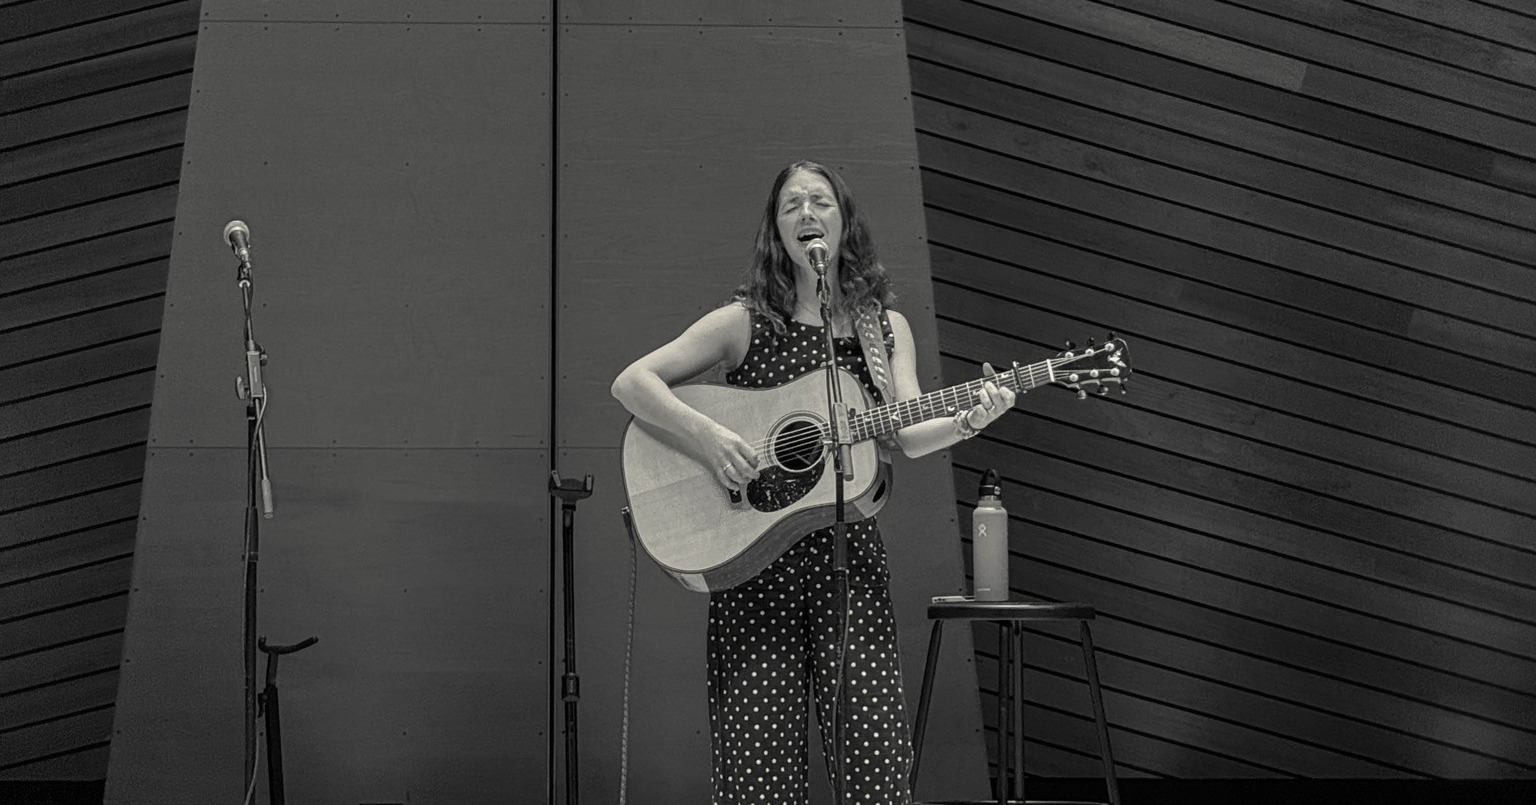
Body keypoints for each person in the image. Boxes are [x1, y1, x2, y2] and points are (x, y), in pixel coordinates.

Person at [610, 160, 1017, 804]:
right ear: (776, 231)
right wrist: (710, 437)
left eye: (821, 201)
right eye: (791, 204)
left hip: (848, 566)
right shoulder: (744, 321)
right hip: (753, 574)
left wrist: (969, 420)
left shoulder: (883, 328)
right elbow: (632, 383)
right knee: (759, 780)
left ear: (844, 220)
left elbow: (907, 432)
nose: (806, 212)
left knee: (876, 769)